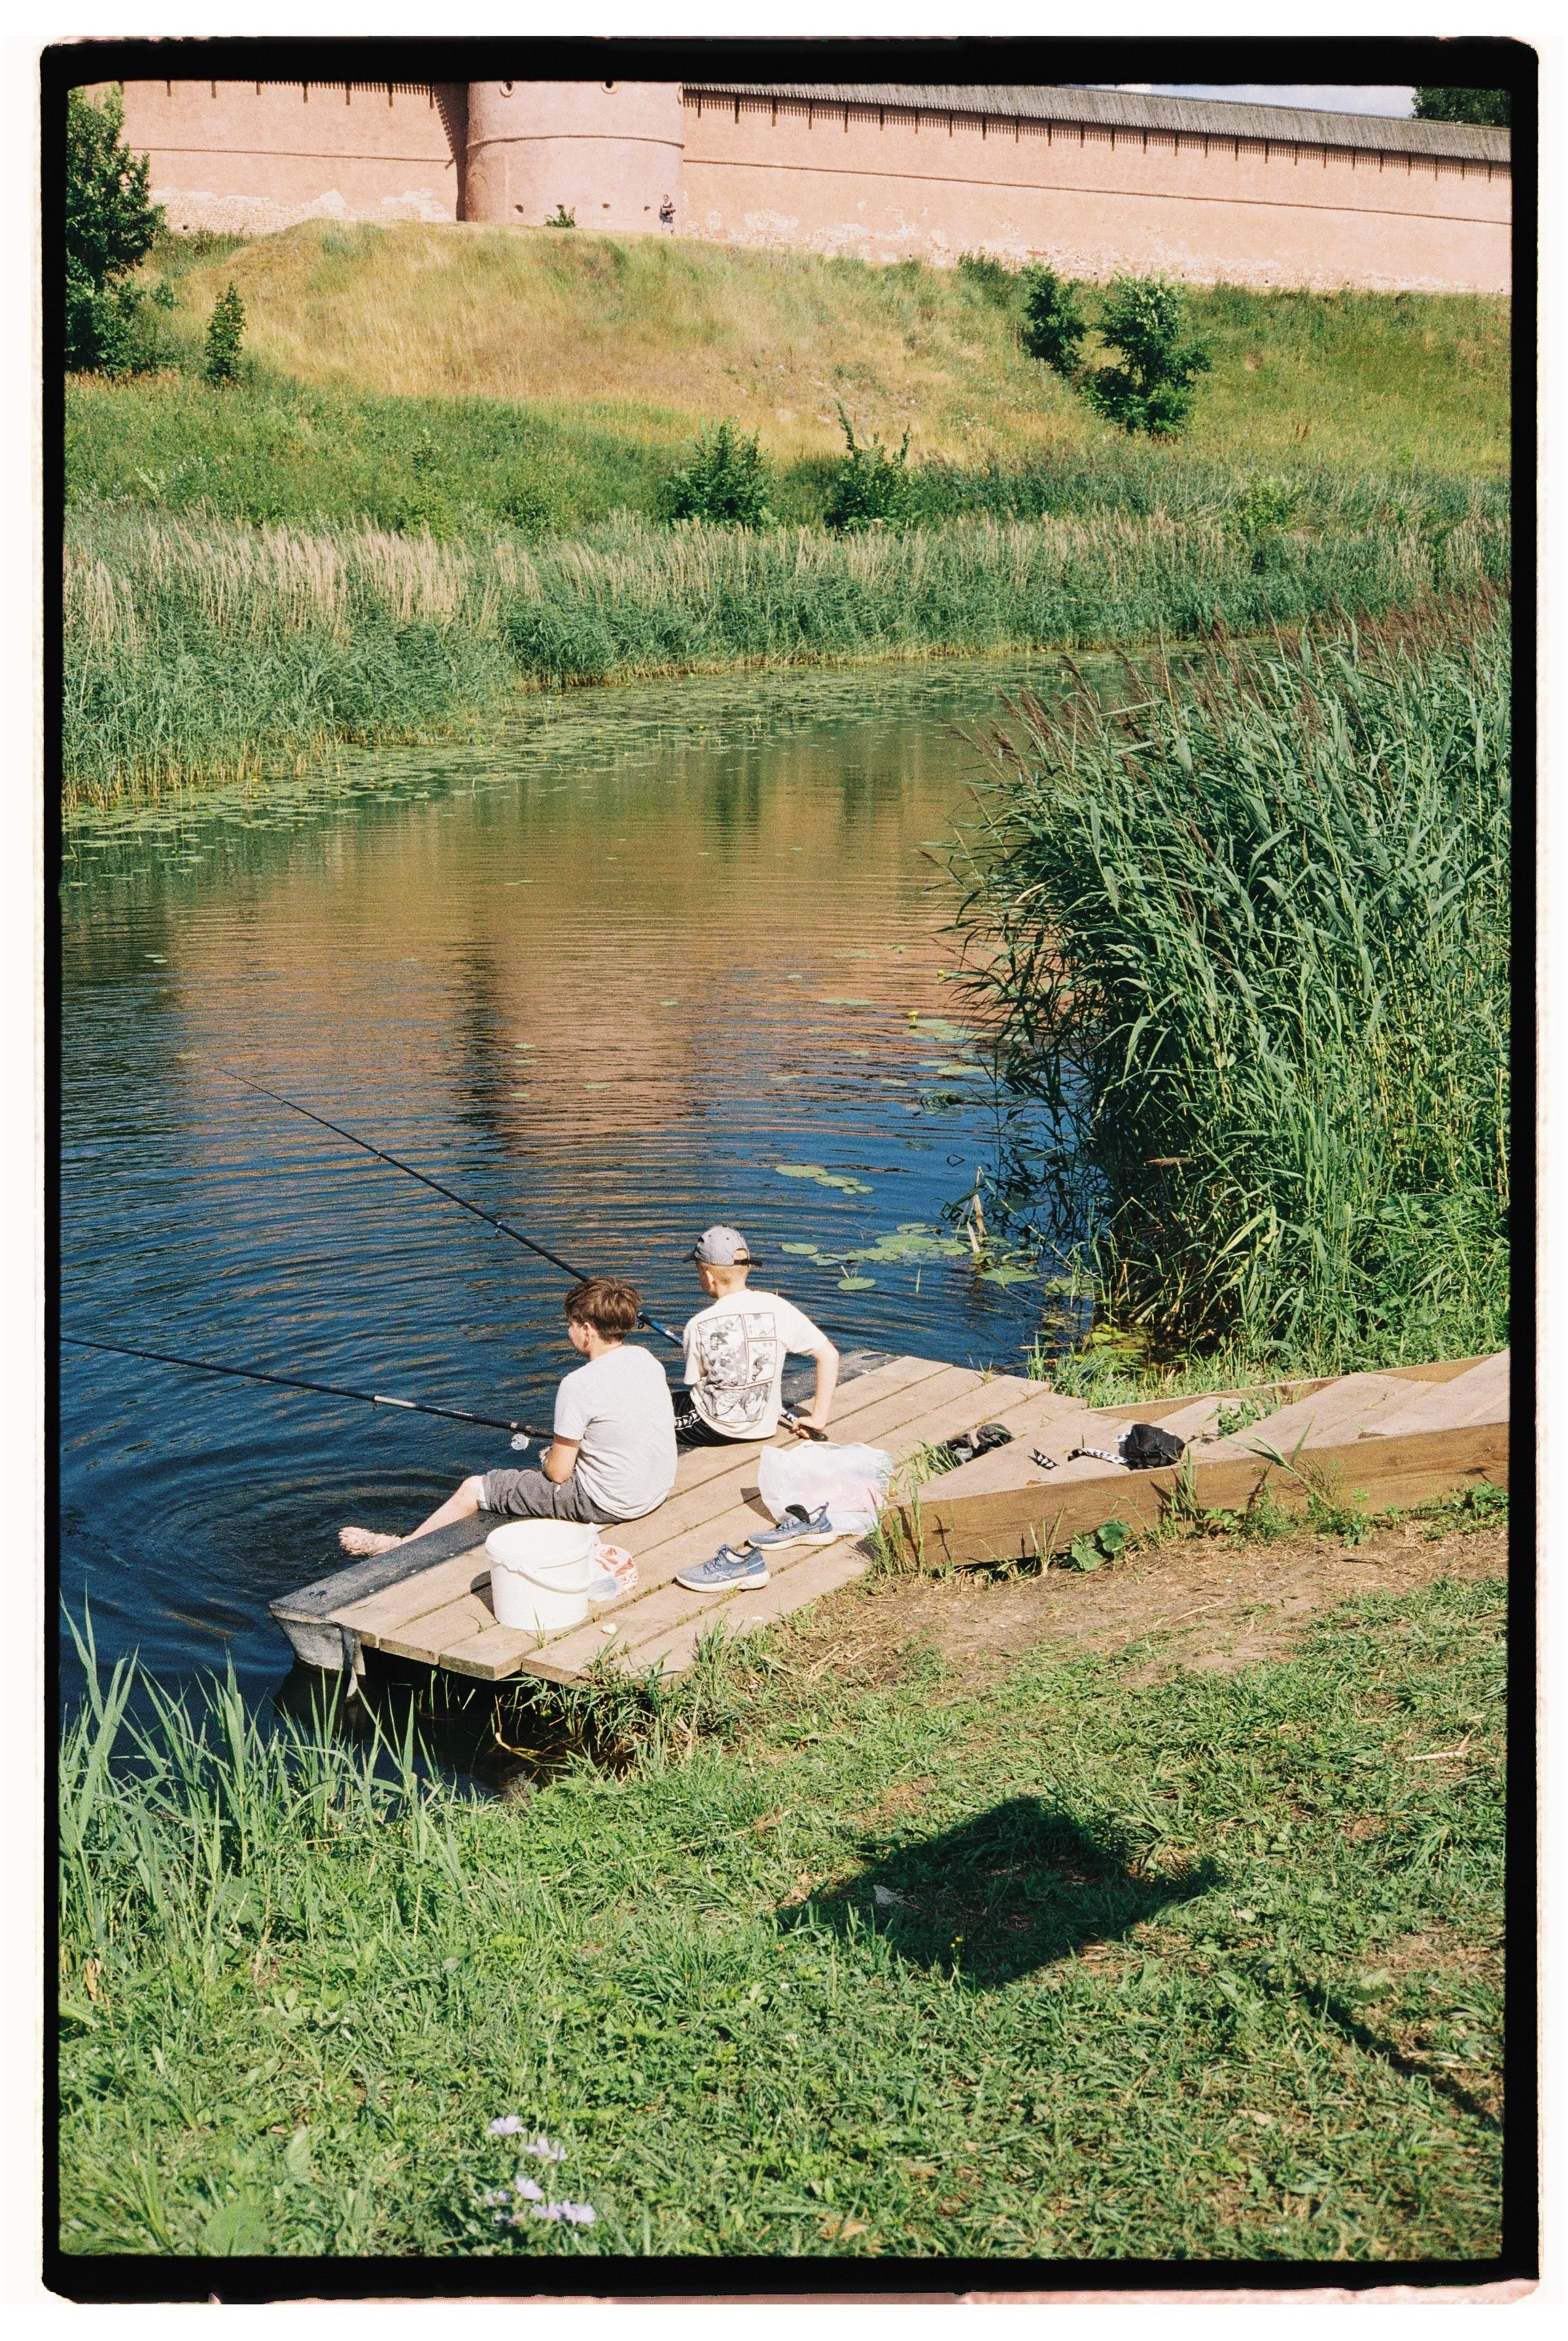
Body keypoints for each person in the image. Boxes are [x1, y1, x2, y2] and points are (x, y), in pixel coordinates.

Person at [338, 1276, 676, 1556]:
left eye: (570, 1324)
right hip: (655, 1490)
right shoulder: (647, 1360)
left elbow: (559, 1474)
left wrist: (548, 1461)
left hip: (613, 1503)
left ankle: (400, 1548)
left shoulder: (579, 1384)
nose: (568, 1331)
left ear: (587, 1329)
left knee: (474, 1488)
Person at [674, 1225, 839, 1449]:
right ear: (748, 1268)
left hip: (714, 1426)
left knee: (646, 1414)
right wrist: (818, 1419)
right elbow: (829, 1355)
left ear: (709, 1276)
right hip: (766, 1425)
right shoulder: (778, 1306)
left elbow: (696, 1382)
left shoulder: (698, 1324)